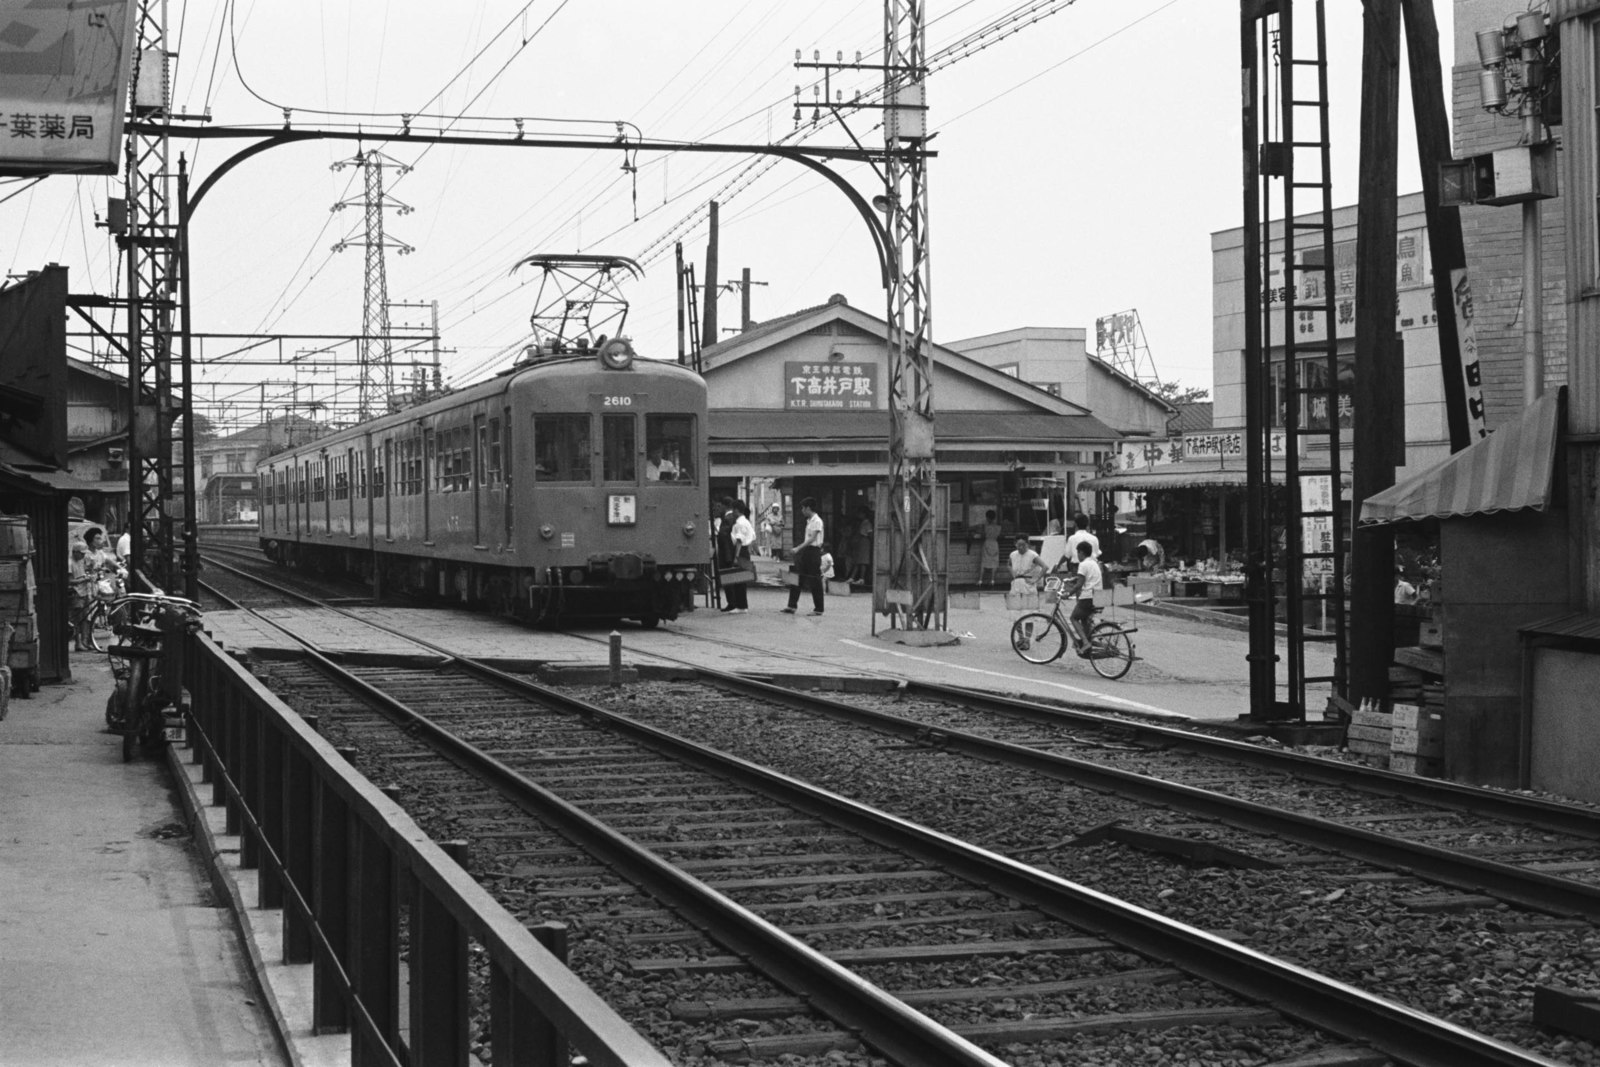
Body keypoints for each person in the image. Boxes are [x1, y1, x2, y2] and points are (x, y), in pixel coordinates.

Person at [781, 497, 825, 616]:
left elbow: (812, 539)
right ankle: (791, 605)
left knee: (815, 580)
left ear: (808, 508)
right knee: (797, 577)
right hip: (806, 552)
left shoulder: (817, 521)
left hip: (814, 551)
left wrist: (798, 548)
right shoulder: (809, 521)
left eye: (803, 508)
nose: (802, 510)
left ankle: (819, 608)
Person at [1059, 540, 1103, 655]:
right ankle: (1087, 641)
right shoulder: (1094, 563)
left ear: (1081, 553)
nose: (1077, 555)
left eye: (1078, 552)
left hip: (1088, 596)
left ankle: (1085, 642)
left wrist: (1068, 594)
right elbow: (1085, 578)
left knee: (1073, 618)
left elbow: (1079, 585)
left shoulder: (1083, 564)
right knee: (1083, 618)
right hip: (1098, 595)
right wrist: (1074, 579)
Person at [716, 497, 755, 613]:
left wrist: (736, 556)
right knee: (741, 579)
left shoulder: (740, 523)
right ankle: (742, 605)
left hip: (740, 550)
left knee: (739, 580)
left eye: (734, 510)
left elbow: (739, 540)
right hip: (744, 550)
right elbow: (752, 537)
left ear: (737, 510)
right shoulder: (746, 521)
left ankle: (741, 606)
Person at [68, 541, 93, 652]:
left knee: (85, 618)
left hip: (84, 592)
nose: (83, 555)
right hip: (76, 593)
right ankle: (78, 642)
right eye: (81, 553)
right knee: (77, 619)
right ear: (75, 552)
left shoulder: (81, 561)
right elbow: (69, 581)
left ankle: (85, 641)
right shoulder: (69, 563)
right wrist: (84, 579)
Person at [978, 509, 1002, 587]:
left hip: (987, 543)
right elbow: (1001, 536)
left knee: (984, 562)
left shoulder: (985, 527)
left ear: (987, 517)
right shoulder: (998, 527)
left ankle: (980, 580)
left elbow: (982, 535)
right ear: (994, 518)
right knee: (994, 562)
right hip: (995, 543)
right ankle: (992, 580)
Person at [848, 509, 873, 584]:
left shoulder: (867, 523)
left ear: (864, 514)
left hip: (865, 541)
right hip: (860, 542)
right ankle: (852, 577)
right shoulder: (862, 523)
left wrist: (871, 542)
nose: (859, 515)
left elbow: (870, 534)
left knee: (863, 561)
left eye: (860, 513)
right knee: (858, 560)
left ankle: (861, 578)